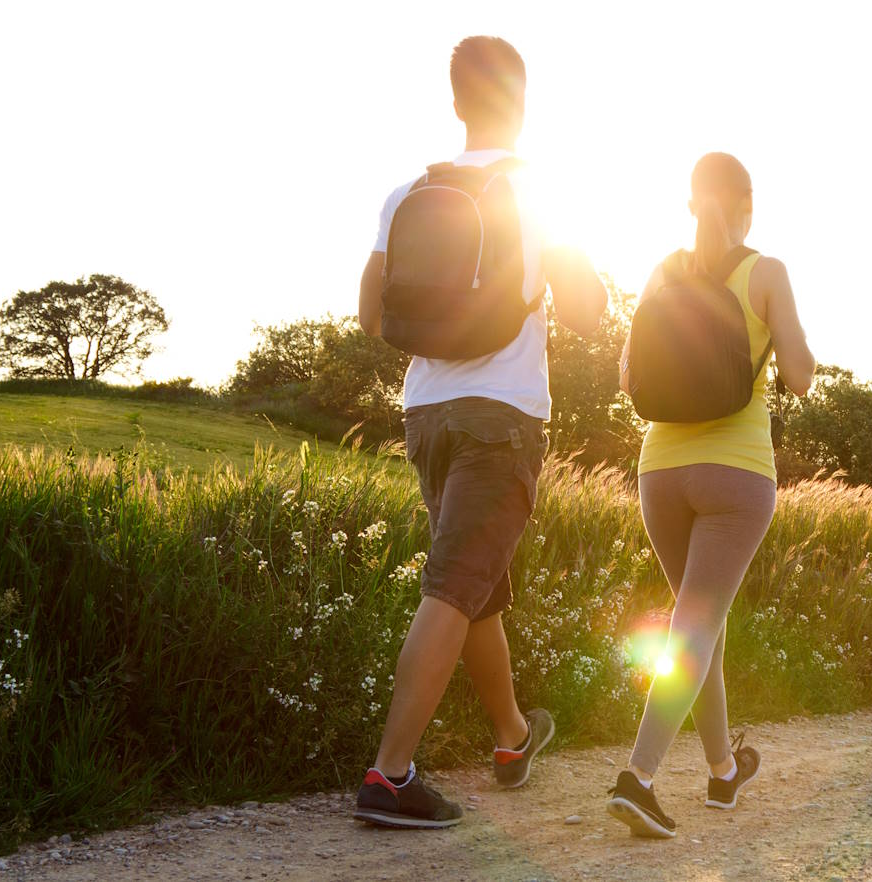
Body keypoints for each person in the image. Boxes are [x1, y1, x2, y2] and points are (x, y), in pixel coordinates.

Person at [351, 35, 607, 829]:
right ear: (522, 106)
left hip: (425, 411)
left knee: (477, 592)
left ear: (458, 104)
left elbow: (371, 315)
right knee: (456, 588)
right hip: (503, 415)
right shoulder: (537, 196)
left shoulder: (407, 193)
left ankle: (512, 737)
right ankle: (390, 777)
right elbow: (589, 314)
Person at [607, 152, 816, 838]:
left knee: (703, 628)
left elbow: (629, 376)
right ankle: (636, 778)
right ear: (747, 205)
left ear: (694, 204)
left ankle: (724, 771)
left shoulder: (663, 271)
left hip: (659, 472)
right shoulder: (768, 272)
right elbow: (802, 376)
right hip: (736, 474)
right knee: (694, 628)